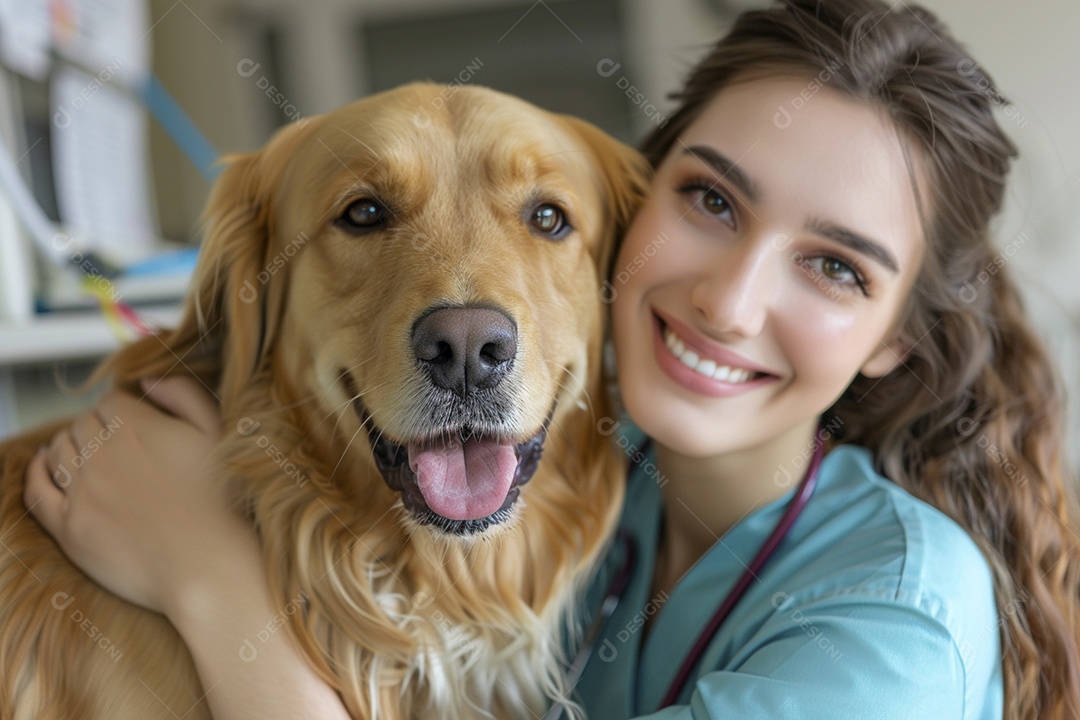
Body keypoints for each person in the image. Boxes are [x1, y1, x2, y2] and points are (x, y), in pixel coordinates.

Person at [23, 0, 1080, 718]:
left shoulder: (891, 623)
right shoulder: (604, 483)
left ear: (898, 332)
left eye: (838, 267)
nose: (729, 298)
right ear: (641, 221)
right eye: (712, 201)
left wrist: (209, 584)